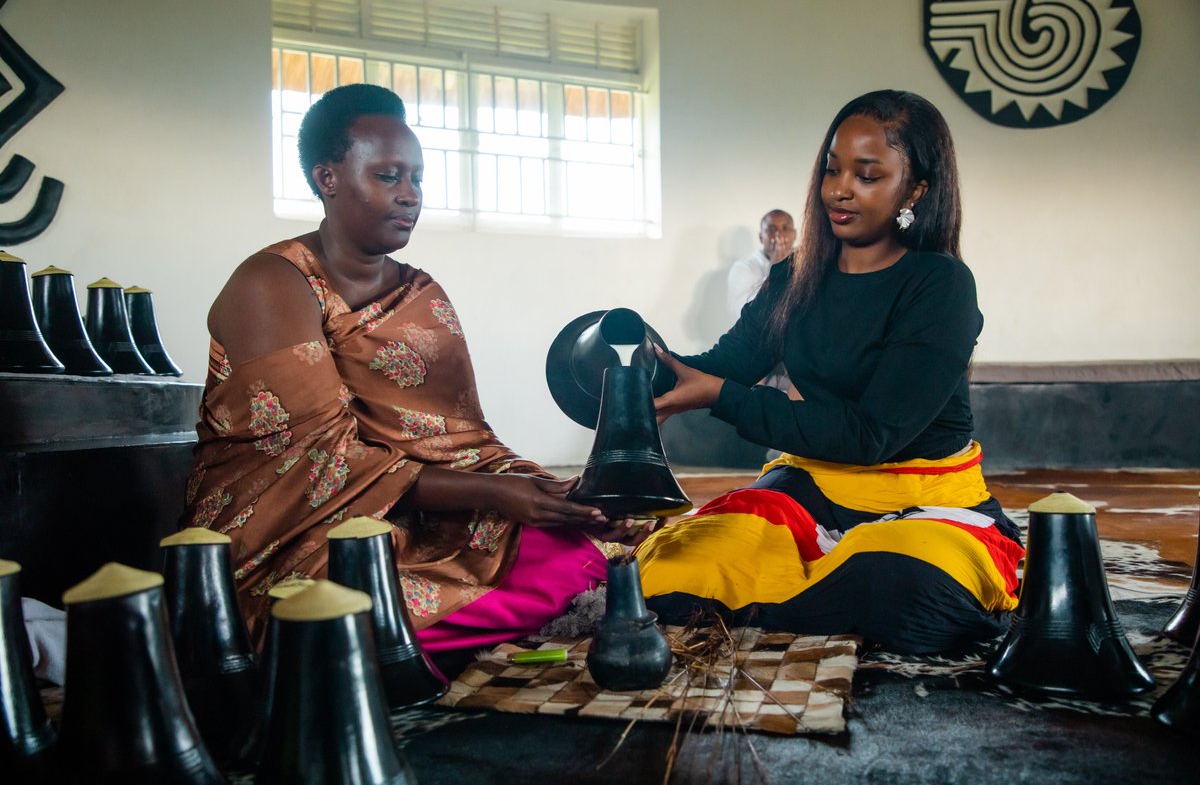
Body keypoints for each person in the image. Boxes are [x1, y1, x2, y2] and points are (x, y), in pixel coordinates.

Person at [182, 83, 639, 653]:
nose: (410, 195)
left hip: (411, 511)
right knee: (345, 614)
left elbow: (463, 440)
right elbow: (321, 465)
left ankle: (445, 637)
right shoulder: (272, 284)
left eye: (417, 178)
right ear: (328, 179)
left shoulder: (419, 292)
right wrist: (500, 496)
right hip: (295, 529)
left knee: (574, 547)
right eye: (389, 176)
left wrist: (554, 493)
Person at [640, 90, 1024, 654]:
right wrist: (639, 371)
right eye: (832, 169)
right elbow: (729, 362)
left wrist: (721, 397)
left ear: (915, 189)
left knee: (903, 589)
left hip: (920, 494)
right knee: (671, 567)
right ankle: (823, 587)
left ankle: (815, 583)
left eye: (867, 175)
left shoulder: (940, 286)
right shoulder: (796, 274)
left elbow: (870, 436)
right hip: (812, 484)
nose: (839, 189)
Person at [725, 209, 796, 321]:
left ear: (794, 234)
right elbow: (740, 315)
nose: (779, 235)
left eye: (785, 228)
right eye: (771, 230)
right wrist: (776, 269)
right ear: (761, 237)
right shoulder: (743, 268)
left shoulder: (805, 264)